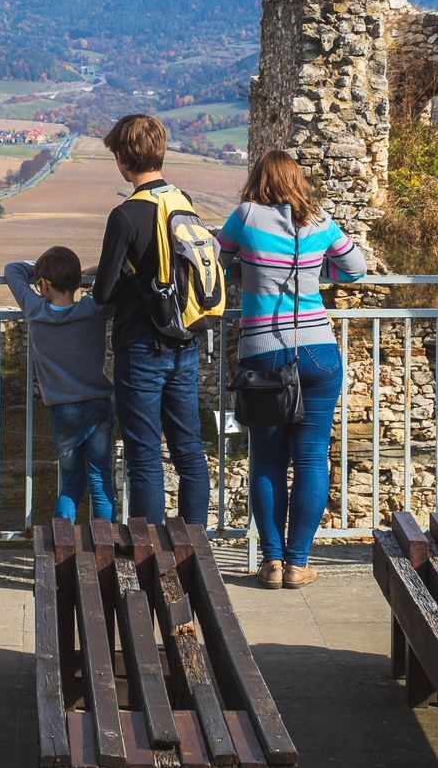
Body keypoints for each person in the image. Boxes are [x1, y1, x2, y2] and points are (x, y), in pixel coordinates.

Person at [215, 149, 367, 589]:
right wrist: (321, 273)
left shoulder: (245, 216)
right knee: (311, 457)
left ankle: (272, 563)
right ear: (297, 180)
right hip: (319, 352)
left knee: (266, 458)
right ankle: (300, 563)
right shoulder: (320, 220)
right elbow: (355, 269)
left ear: (258, 178)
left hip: (263, 354)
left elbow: (216, 264)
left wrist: (247, 268)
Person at [92, 113, 211, 526]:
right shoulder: (182, 202)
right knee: (190, 452)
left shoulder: (126, 215)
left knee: (144, 456)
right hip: (185, 343)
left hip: (141, 348)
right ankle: (196, 548)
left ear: (123, 159)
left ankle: (152, 554)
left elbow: (103, 293)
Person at [5, 245, 115, 523]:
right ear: (77, 283)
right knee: (100, 480)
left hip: (63, 410)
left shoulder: (35, 309)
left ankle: (61, 541)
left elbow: (13, 269)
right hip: (97, 405)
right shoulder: (94, 310)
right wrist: (81, 273)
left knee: (71, 483)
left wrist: (40, 270)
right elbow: (113, 273)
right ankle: (104, 544)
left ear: (42, 285)